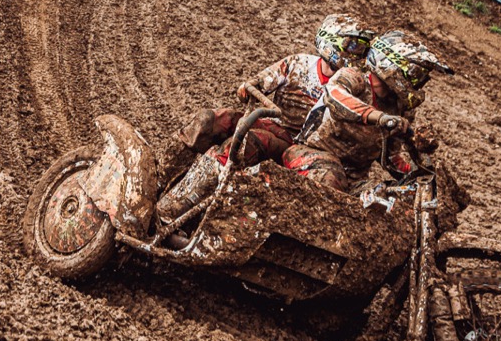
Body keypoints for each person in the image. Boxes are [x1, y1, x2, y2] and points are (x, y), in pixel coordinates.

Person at [151, 15, 387, 222]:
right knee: (210, 120)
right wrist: (249, 87)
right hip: (279, 126)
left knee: (249, 142)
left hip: (304, 146)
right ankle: (162, 180)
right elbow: (254, 85)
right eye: (354, 45)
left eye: (362, 49)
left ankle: (188, 206)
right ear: (332, 40)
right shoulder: (297, 64)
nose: (358, 54)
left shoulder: (356, 86)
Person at [291, 30, 452, 187]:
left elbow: (390, 156)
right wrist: (379, 117)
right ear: (391, 63)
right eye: (415, 74)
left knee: (386, 198)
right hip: (310, 154)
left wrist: (418, 173)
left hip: (353, 178)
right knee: (330, 178)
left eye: (422, 78)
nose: (418, 82)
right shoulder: (354, 76)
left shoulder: (400, 108)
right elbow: (335, 96)